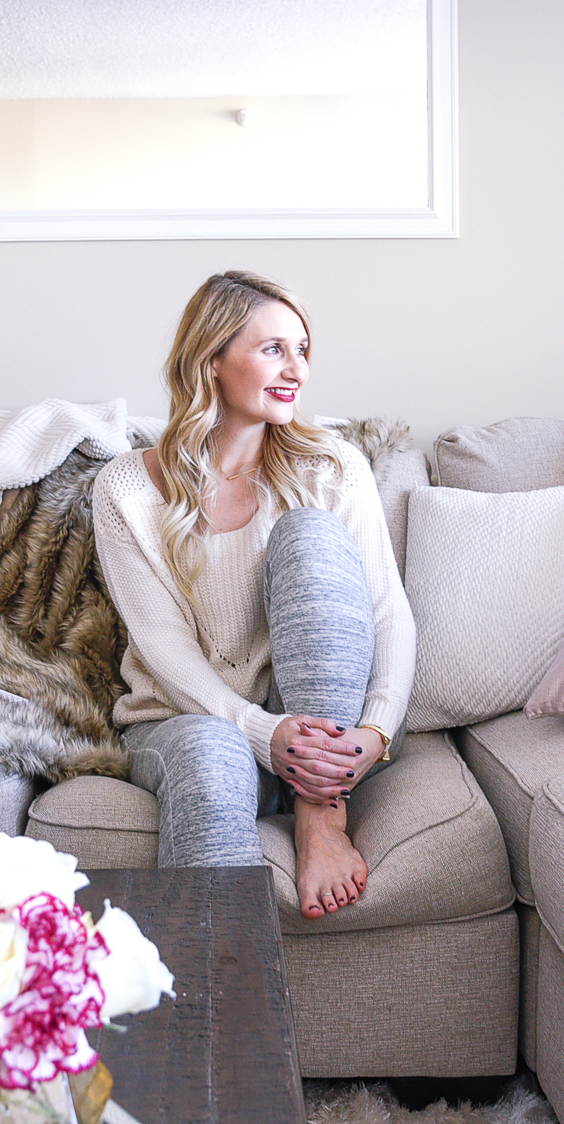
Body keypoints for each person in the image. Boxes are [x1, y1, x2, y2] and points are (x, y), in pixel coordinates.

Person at [92, 271, 415, 920]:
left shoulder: (333, 466)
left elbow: (388, 612)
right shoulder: (125, 488)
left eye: (302, 349)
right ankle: (220, 1006)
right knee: (213, 753)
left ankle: (321, 815)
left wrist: (374, 731)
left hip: (322, 739)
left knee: (309, 534)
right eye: (274, 348)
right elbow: (163, 645)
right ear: (210, 360)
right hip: (192, 723)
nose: (296, 367)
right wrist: (263, 732)